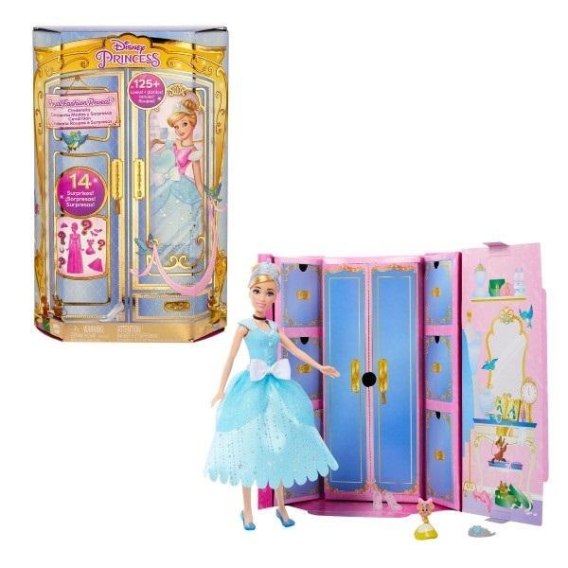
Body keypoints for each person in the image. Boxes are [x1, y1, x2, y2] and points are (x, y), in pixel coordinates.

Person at [205, 262, 339, 530]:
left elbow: (296, 351)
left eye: (269, 293)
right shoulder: (244, 327)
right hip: (251, 389)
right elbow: (230, 358)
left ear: (276, 296)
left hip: (276, 390)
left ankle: (281, 506)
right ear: (249, 292)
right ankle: (247, 511)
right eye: (257, 291)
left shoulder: (275, 328)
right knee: (249, 446)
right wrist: (220, 389)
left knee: (279, 445)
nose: (262, 298)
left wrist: (320, 366)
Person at [149, 95, 204, 266]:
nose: (180, 130)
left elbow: (199, 180)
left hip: (182, 187)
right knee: (161, 219)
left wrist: (205, 198)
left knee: (181, 220)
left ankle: (180, 253)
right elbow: (151, 157)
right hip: (165, 185)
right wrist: (153, 143)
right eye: (176, 126)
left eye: (184, 124)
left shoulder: (194, 151)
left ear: (193, 123)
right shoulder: (171, 144)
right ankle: (159, 254)